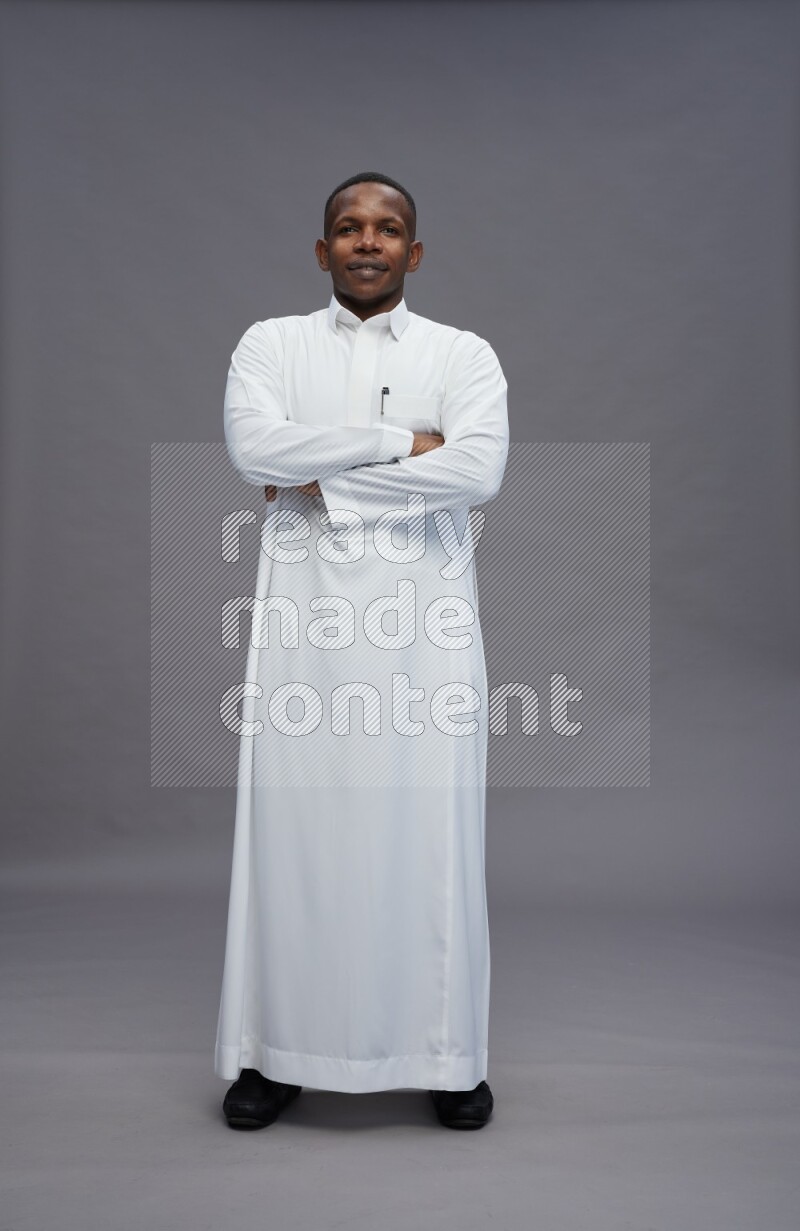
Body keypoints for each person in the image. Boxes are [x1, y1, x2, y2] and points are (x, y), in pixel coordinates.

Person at [216, 171, 509, 1130]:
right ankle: (275, 1052)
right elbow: (256, 450)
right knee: (294, 838)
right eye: (349, 227)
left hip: (425, 636)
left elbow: (480, 468)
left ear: (414, 254)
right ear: (323, 250)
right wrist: (398, 443)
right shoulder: (273, 343)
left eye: (388, 230)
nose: (368, 241)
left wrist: (322, 477)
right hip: (305, 636)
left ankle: (447, 1053)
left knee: (431, 841)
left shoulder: (463, 354)